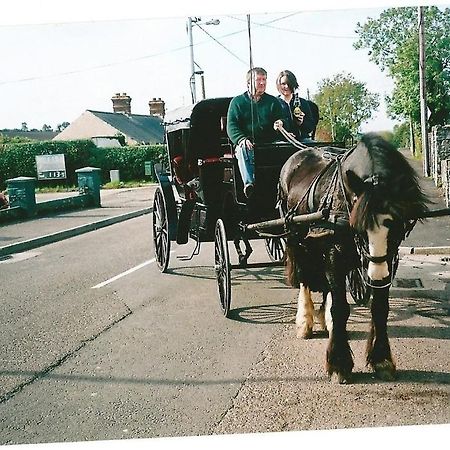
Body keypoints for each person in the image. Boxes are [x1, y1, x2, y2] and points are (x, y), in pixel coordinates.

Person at [227, 67, 284, 198]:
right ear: (249, 83)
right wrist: (241, 139)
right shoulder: (237, 102)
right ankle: (249, 185)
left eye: (264, 80)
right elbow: (231, 126)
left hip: (270, 143)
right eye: (258, 80)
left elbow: (281, 118)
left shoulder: (273, 102)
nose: (262, 83)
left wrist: (280, 123)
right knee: (243, 149)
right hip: (248, 144)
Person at [276, 70, 315, 142]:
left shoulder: (303, 103)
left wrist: (302, 122)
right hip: (282, 142)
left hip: (302, 141)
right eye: (283, 84)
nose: (286, 86)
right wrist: (285, 135)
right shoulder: (274, 103)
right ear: (278, 85)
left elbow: (310, 127)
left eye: (289, 84)